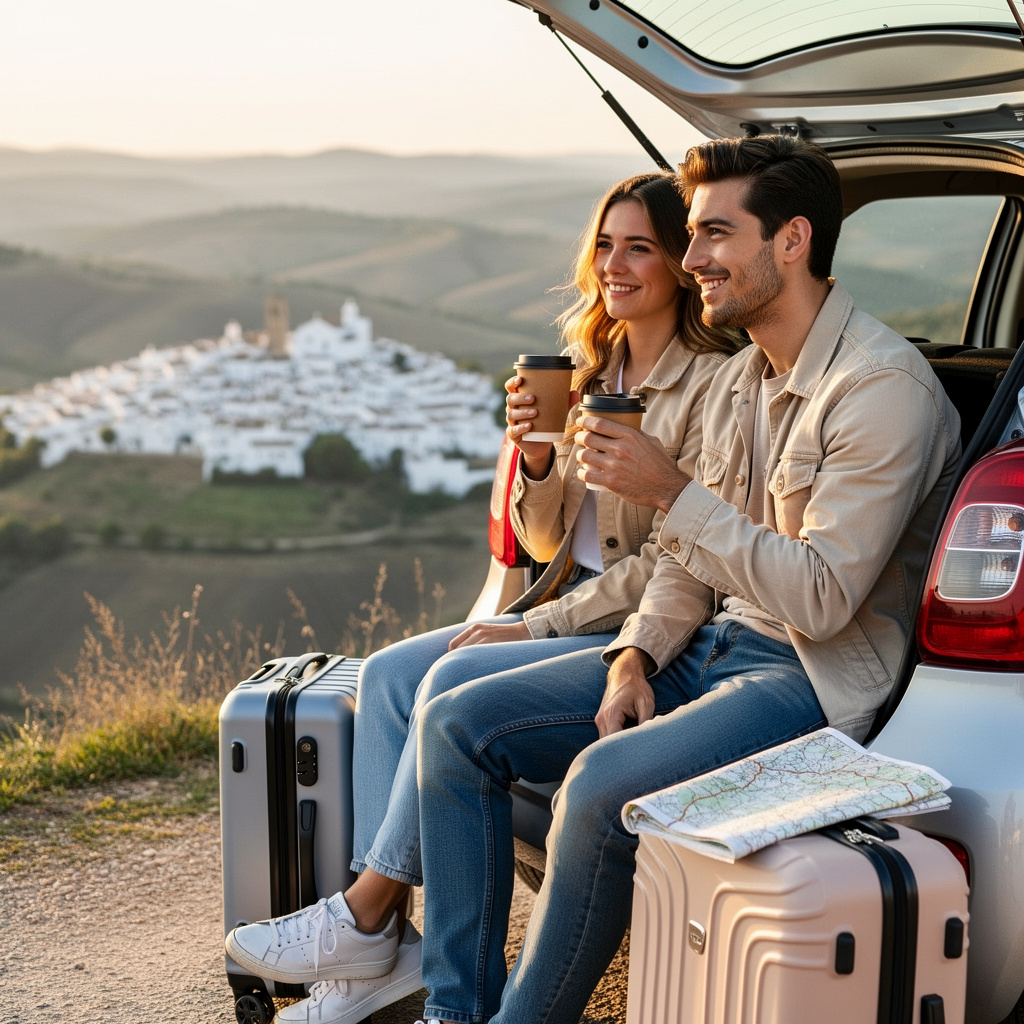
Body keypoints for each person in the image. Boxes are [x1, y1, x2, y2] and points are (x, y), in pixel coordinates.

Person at [400, 134, 962, 1024]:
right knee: (456, 721)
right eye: (692, 236)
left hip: (805, 675)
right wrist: (633, 654)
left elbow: (821, 597)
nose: (691, 258)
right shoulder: (745, 375)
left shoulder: (879, 388)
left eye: (714, 234)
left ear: (792, 241)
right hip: (703, 647)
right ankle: (451, 1009)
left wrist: (669, 490)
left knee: (597, 785)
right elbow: (686, 563)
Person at [225, 172, 738, 1024]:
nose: (615, 263)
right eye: (605, 245)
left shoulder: (712, 382)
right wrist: (536, 460)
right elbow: (546, 545)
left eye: (640, 246)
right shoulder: (588, 367)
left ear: (682, 265)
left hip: (616, 621)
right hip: (559, 597)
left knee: (445, 688)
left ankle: (369, 915)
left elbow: (673, 564)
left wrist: (528, 623)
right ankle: (384, 957)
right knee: (391, 673)